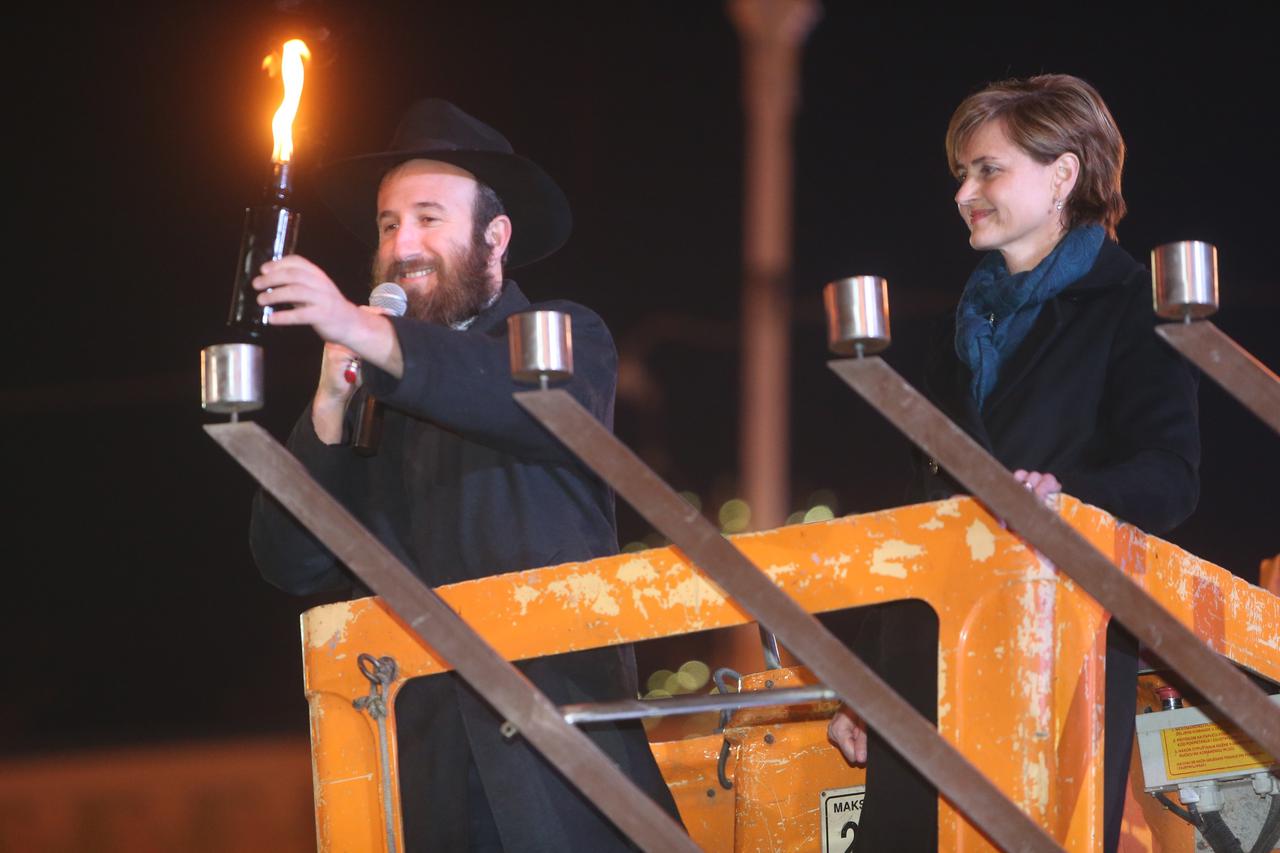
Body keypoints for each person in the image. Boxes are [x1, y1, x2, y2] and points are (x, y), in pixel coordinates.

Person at [248, 98, 683, 851]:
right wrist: (326, 405)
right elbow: (288, 560)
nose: (402, 245)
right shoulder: (363, 390)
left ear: (495, 235)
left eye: (427, 218)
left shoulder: (560, 339)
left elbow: (508, 393)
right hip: (415, 789)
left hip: (562, 767)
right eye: (388, 226)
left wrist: (369, 333)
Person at [827, 74, 1200, 851]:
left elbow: (1171, 475)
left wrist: (1067, 498)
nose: (965, 192)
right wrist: (865, 680)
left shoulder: (1134, 306)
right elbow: (914, 515)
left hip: (1057, 653)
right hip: (927, 663)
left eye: (988, 169)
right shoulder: (963, 331)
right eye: (961, 174)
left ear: (1064, 175)